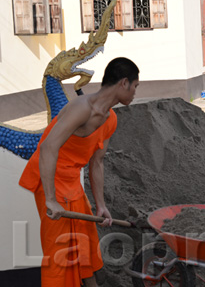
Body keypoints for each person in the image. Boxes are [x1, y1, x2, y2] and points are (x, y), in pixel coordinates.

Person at [19, 57, 140, 287]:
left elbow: (97, 163)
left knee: (84, 242)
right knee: (61, 251)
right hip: (51, 179)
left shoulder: (110, 119)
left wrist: (101, 205)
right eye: (135, 86)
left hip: (72, 181)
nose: (135, 92)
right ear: (124, 83)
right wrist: (52, 200)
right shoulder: (82, 108)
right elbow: (47, 147)